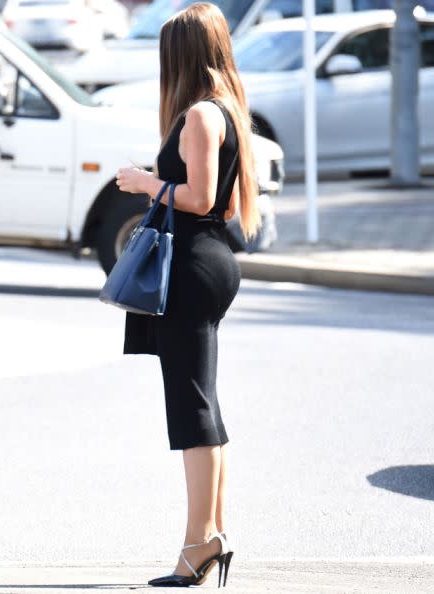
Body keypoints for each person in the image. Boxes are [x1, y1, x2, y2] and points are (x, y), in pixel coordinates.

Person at [114, 2, 259, 588]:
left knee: (191, 408)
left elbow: (199, 199)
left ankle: (199, 542)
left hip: (193, 266)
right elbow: (222, 204)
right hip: (209, 260)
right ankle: (213, 532)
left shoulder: (201, 114)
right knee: (204, 403)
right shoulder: (227, 110)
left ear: (182, 55)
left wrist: (146, 183)